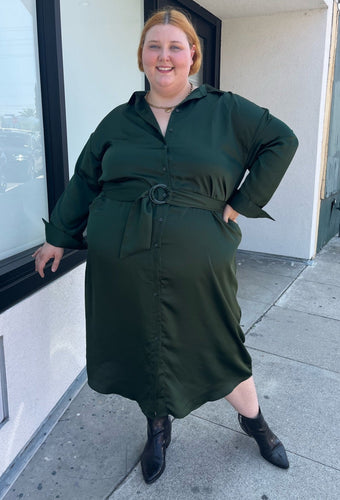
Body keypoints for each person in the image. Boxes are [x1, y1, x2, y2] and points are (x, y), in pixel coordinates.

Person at [33, 8, 298, 485]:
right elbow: (85, 180)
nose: (164, 56)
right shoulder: (118, 121)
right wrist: (57, 237)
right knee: (142, 344)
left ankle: (253, 420)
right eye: (154, 46)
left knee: (220, 342)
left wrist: (242, 202)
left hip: (200, 264)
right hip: (124, 264)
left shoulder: (227, 110)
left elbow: (283, 140)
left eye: (175, 46)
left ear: (192, 56)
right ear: (142, 56)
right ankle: (158, 427)